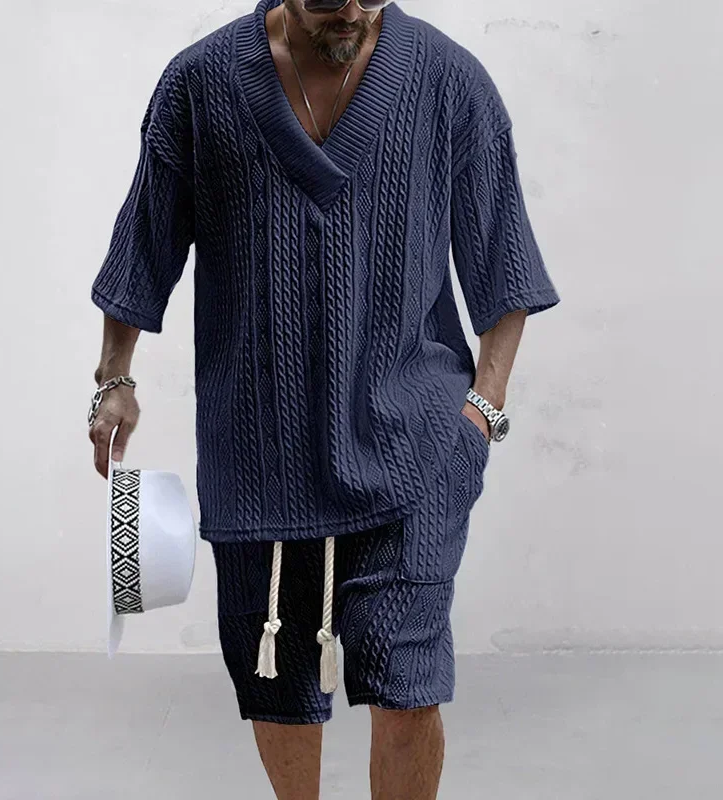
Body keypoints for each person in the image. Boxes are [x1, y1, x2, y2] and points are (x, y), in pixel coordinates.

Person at [88, 0, 560, 797]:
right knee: (275, 684)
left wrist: (482, 413)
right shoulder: (200, 84)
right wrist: (114, 379)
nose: (346, 9)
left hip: (415, 453)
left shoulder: (449, 82)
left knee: (407, 688)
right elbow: (145, 242)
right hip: (257, 450)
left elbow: (504, 263)